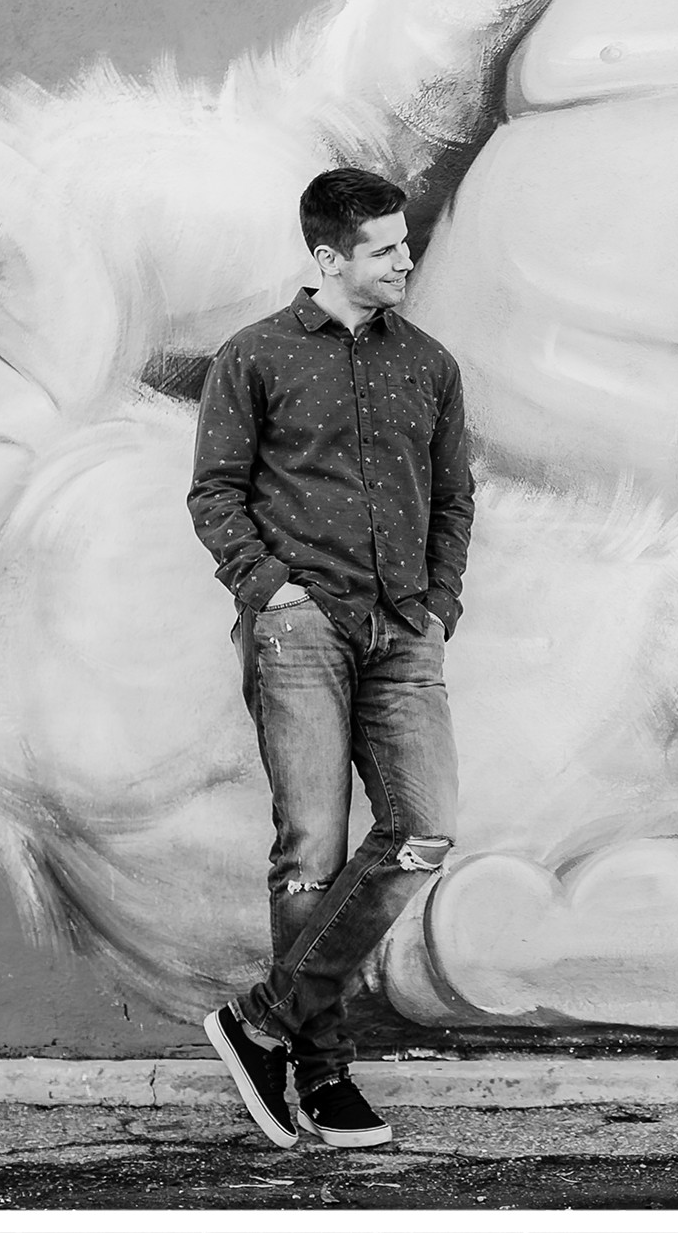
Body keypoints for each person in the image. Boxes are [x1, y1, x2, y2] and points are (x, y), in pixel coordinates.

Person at [186, 167, 474, 1150]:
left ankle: (262, 1024)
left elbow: (451, 497)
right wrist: (273, 587)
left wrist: (439, 602)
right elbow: (214, 493)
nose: (405, 257)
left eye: (404, 242)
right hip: (300, 627)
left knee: (424, 826)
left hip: (403, 628)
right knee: (310, 848)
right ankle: (322, 1066)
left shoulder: (428, 365)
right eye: (386, 246)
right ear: (328, 258)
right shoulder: (254, 357)